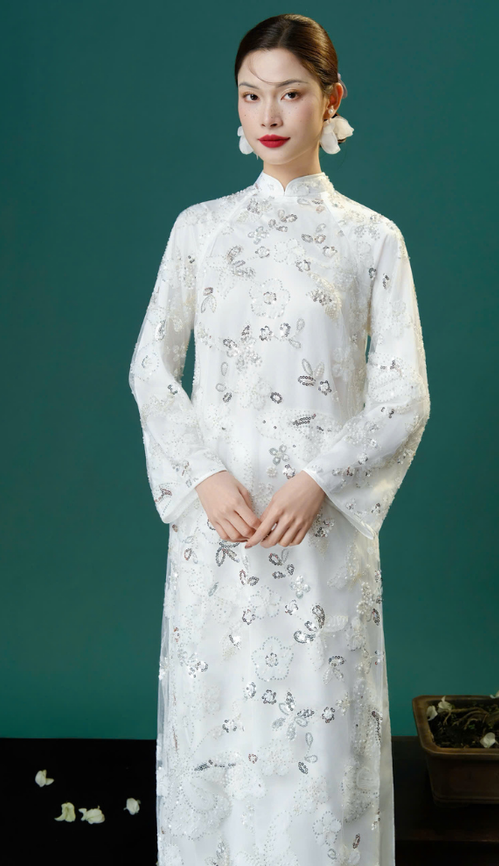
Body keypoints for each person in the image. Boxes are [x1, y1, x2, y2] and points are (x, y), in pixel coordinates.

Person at [129, 13, 431, 866]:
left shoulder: (371, 238)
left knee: (319, 737)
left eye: (290, 94)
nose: (268, 114)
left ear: (330, 101)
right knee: (215, 722)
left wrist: (318, 481)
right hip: (217, 526)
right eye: (250, 94)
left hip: (319, 529)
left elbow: (403, 395)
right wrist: (201, 477)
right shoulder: (200, 229)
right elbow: (151, 368)